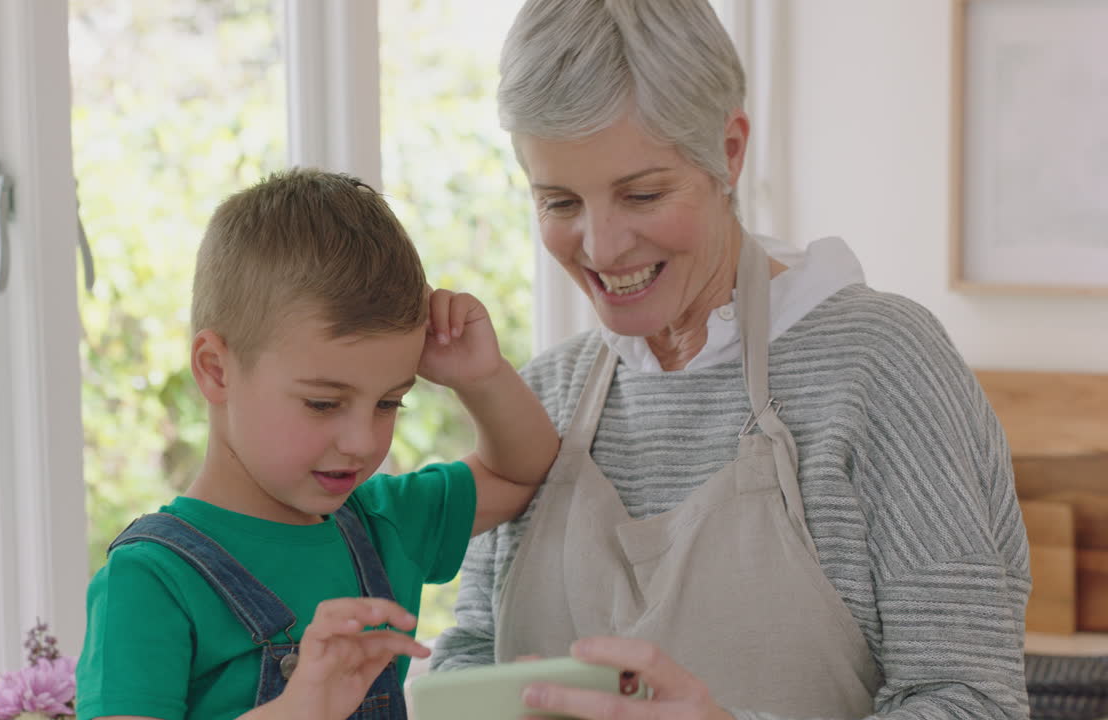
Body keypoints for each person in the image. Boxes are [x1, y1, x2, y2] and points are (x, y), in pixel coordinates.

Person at [430, 1, 1031, 719]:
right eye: (560, 202)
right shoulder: (543, 399)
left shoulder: (881, 367)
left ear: (731, 150)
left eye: (643, 193)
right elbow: (468, 653)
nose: (602, 246)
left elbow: (975, 702)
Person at [75, 168, 559, 720]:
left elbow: (523, 471)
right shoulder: (150, 581)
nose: (360, 442)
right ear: (216, 370)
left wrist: (482, 376)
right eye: (323, 404)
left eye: (388, 403)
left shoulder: (385, 524)